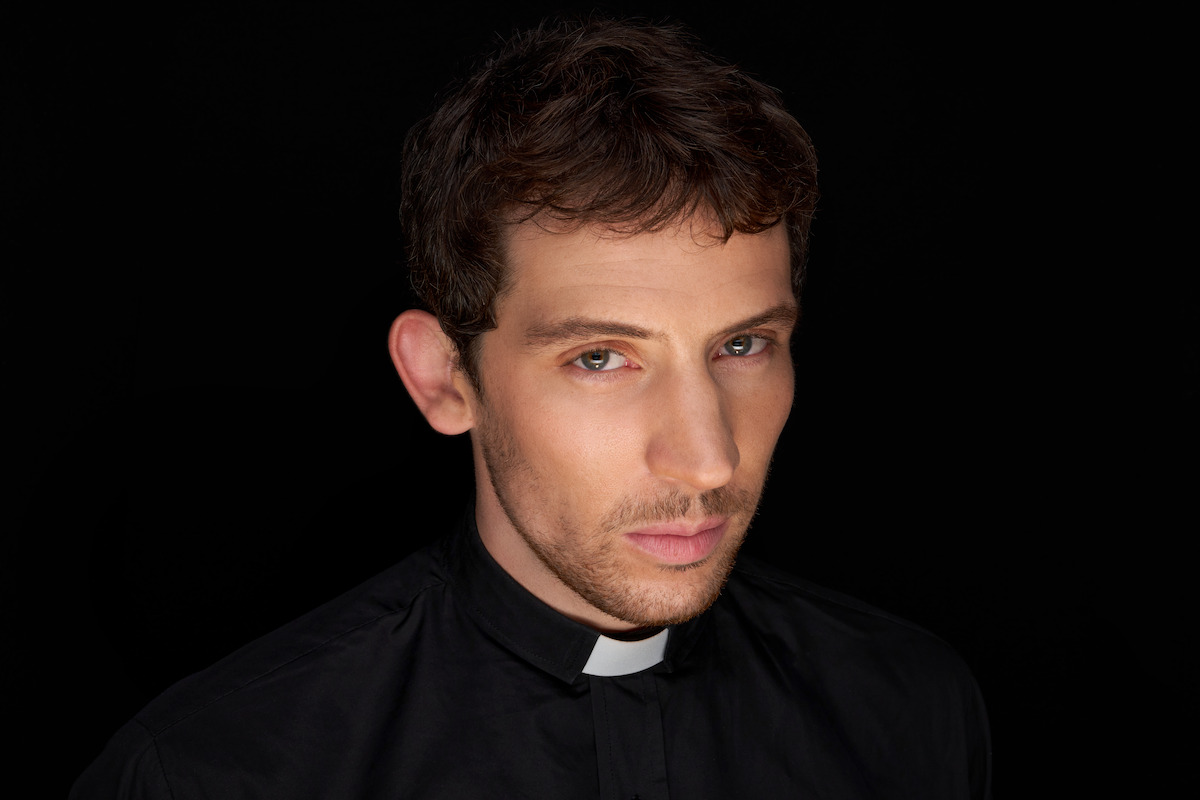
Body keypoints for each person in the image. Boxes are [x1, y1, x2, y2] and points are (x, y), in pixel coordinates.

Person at [71, 15, 990, 799]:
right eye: (601, 357)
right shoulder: (211, 772)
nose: (708, 459)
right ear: (443, 378)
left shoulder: (913, 712)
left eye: (742, 346)